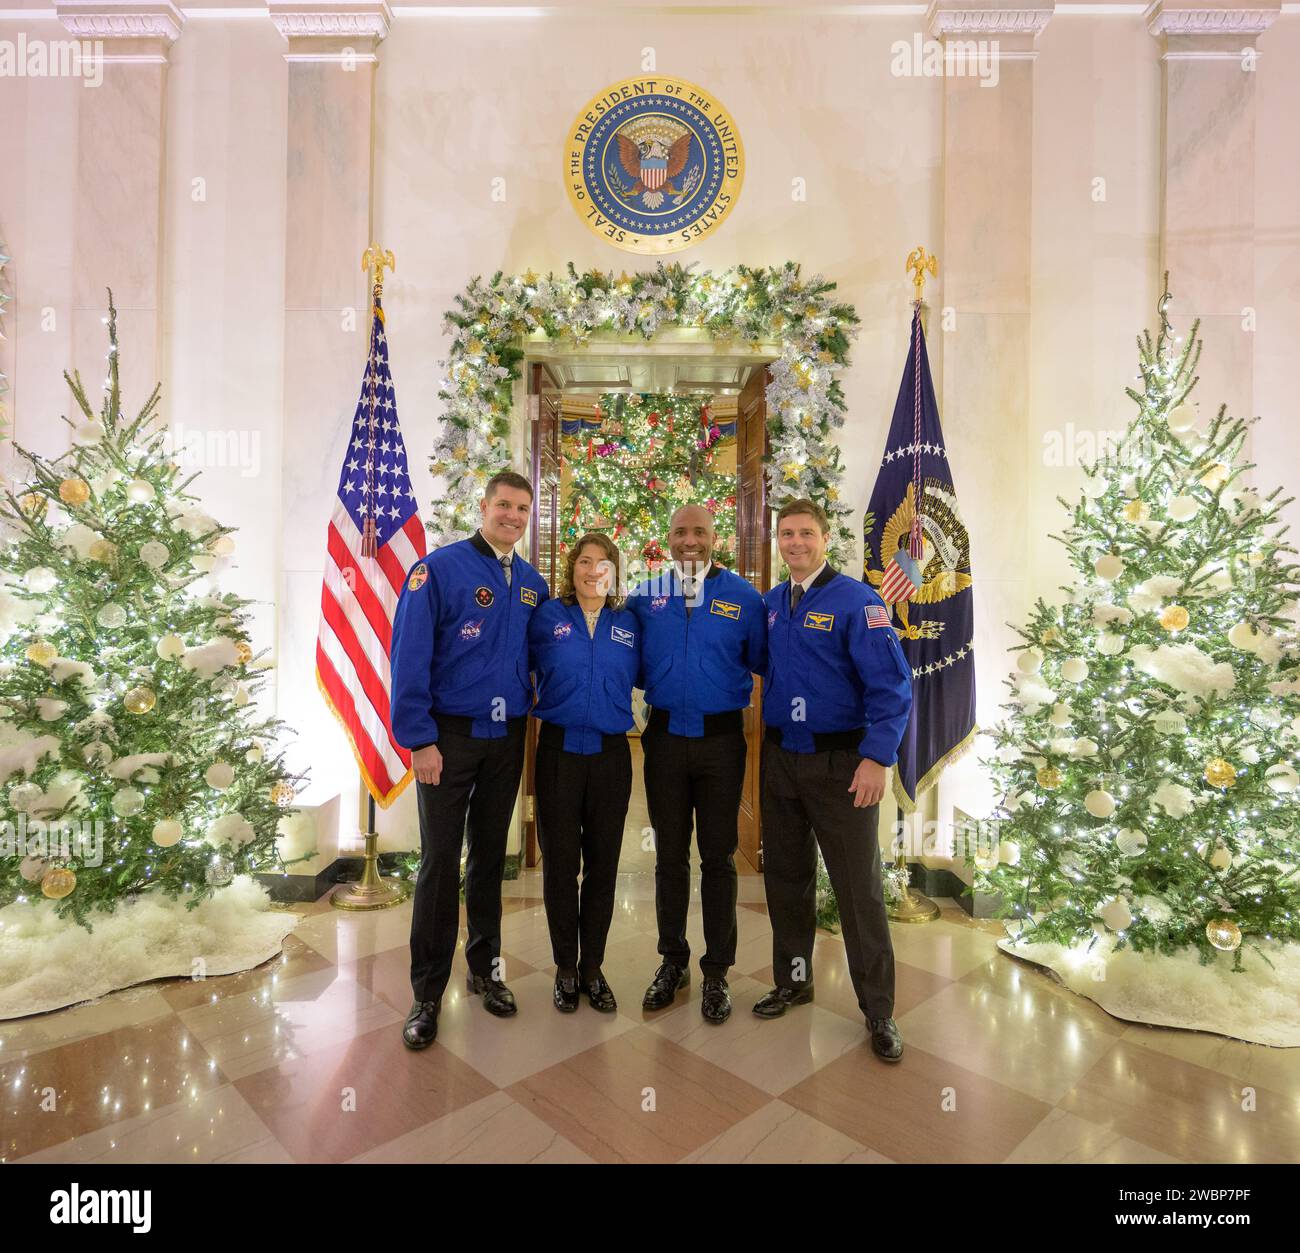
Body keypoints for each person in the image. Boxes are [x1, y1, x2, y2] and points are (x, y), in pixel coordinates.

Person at [389, 470, 549, 1049]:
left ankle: (486, 971)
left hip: (506, 739)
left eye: (522, 508)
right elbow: (408, 654)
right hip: (446, 739)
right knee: (439, 863)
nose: (512, 516)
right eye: (503, 505)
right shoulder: (439, 570)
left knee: (489, 859)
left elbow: (540, 654)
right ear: (483, 507)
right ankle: (427, 993)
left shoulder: (531, 582)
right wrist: (419, 739)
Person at [755, 498, 913, 1061]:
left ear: (825, 538)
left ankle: (879, 1011)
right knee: (787, 880)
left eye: (805, 533)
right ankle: (794, 981)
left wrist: (876, 758)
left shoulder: (858, 602)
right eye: (786, 534)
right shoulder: (773, 604)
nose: (795, 542)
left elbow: (892, 689)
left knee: (857, 889)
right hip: (780, 762)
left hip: (842, 765)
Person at [625, 503, 766, 1023]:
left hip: (722, 742)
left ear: (714, 538)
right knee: (668, 857)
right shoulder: (645, 596)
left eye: (700, 532)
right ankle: (672, 961)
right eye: (681, 532)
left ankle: (717, 972)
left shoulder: (744, 598)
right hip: (662, 738)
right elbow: (627, 659)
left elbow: (764, 660)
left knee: (718, 859)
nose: (690, 541)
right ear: (668, 537)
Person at [528, 533, 639, 1013]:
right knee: (559, 866)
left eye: (604, 563)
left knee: (603, 866)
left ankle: (592, 966)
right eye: (585, 562)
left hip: (611, 757)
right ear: (571, 569)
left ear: (616, 572)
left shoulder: (630, 622)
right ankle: (565, 968)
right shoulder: (547, 617)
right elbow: (518, 669)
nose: (593, 571)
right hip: (557, 754)